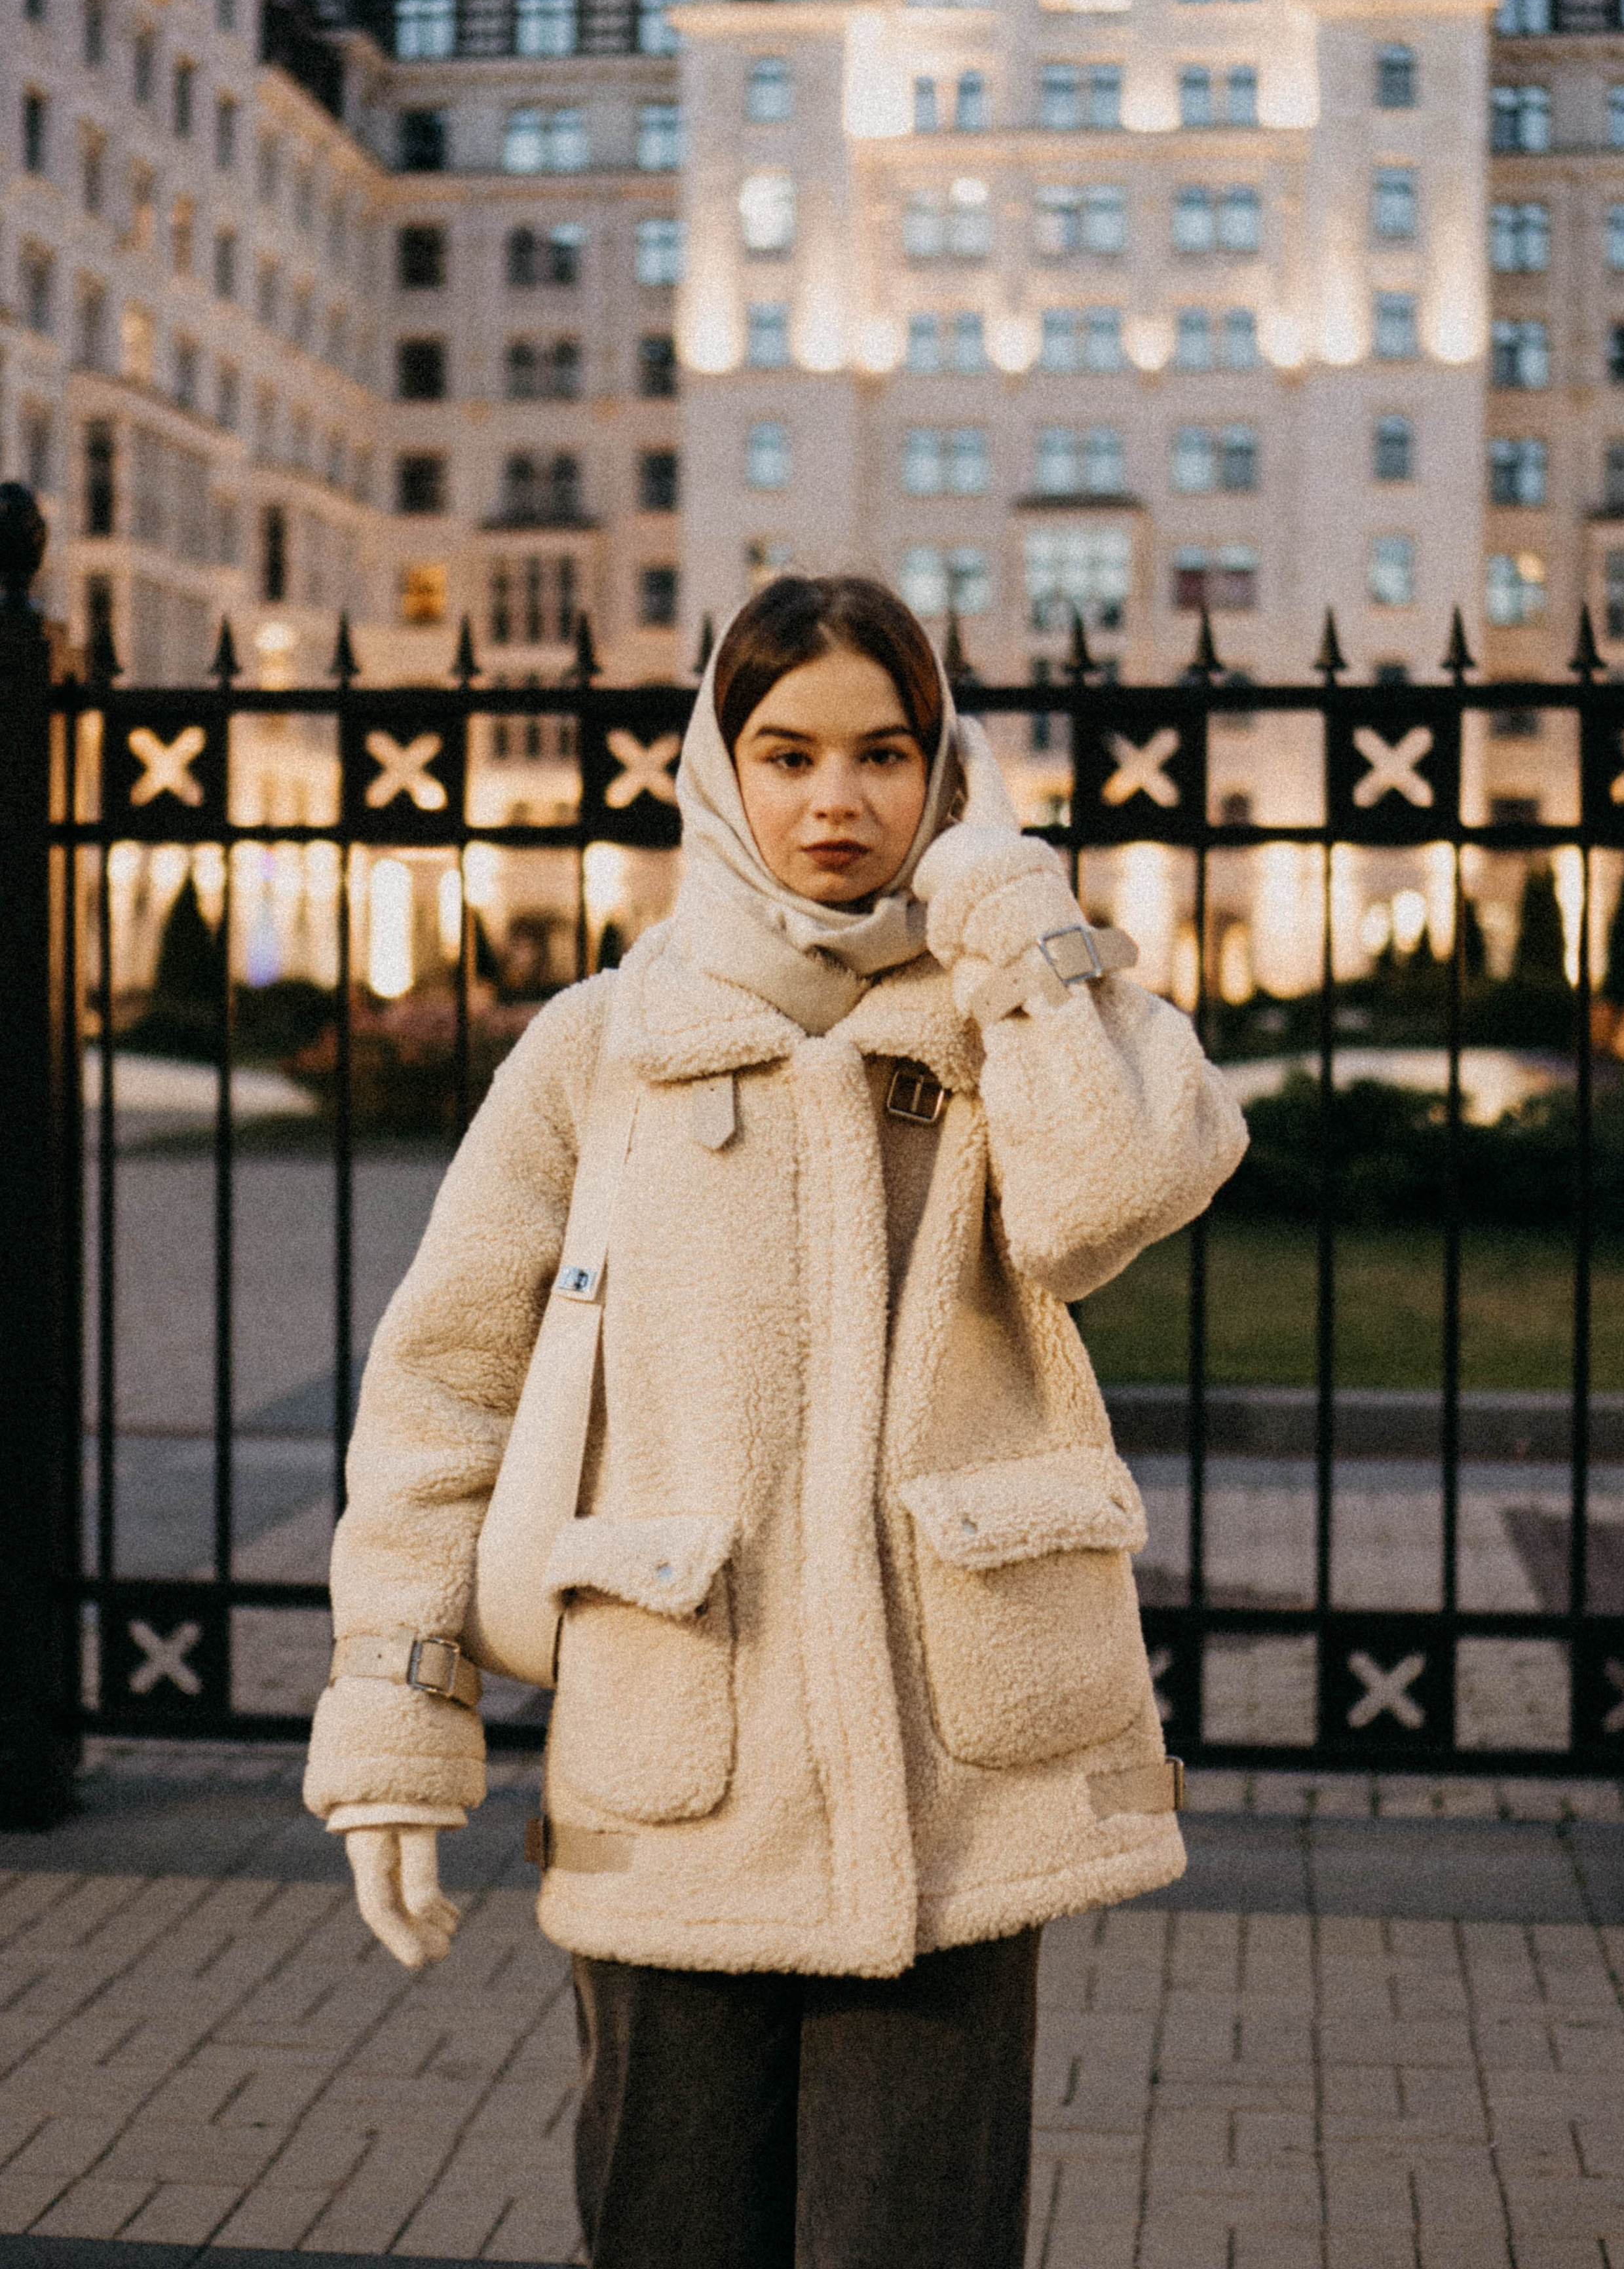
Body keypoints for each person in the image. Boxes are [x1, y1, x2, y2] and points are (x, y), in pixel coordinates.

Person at [304, 576, 1247, 2269]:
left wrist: (1011, 916)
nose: (836, 800)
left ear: (947, 768)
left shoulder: (1007, 1013)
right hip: (679, 1770)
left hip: (956, 1789)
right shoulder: (604, 1048)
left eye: (887, 752)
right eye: (786, 750)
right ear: (716, 769)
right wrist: (397, 1722)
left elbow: (1108, 1202)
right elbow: (443, 1388)